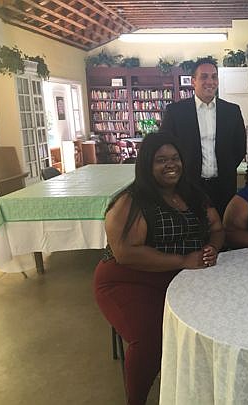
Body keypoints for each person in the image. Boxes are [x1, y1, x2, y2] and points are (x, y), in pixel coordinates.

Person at [93, 132, 224, 405]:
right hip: (129, 280)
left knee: (217, 323)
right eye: (160, 160)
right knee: (151, 339)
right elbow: (126, 254)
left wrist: (213, 246)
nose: (170, 165)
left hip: (183, 279)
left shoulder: (192, 193)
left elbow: (217, 228)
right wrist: (183, 261)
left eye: (175, 158)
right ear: (146, 165)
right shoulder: (131, 201)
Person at [159, 57, 247, 218]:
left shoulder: (232, 111)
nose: (210, 81)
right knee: (193, 226)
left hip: (223, 184)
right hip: (189, 183)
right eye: (204, 77)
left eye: (214, 77)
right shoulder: (176, 112)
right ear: (193, 81)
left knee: (224, 227)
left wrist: (226, 167)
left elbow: (239, 147)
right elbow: (164, 147)